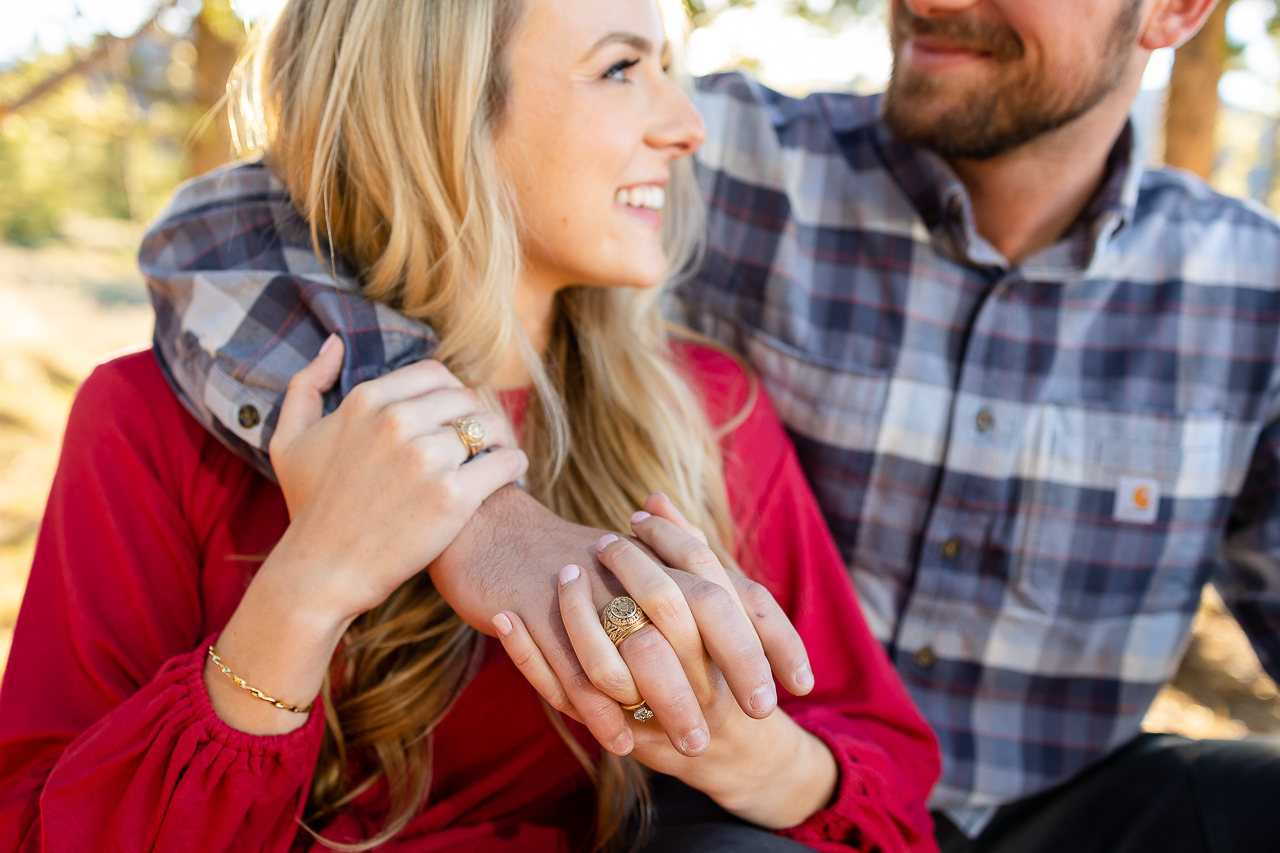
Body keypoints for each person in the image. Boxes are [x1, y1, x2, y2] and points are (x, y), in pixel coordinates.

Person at [20, 0, 1280, 850]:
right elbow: (238, 208)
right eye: (630, 67)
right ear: (440, 109)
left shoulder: (704, 409)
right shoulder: (741, 159)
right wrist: (399, 542)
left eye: (660, 67)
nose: (676, 121)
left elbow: (868, 759)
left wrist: (753, 752)